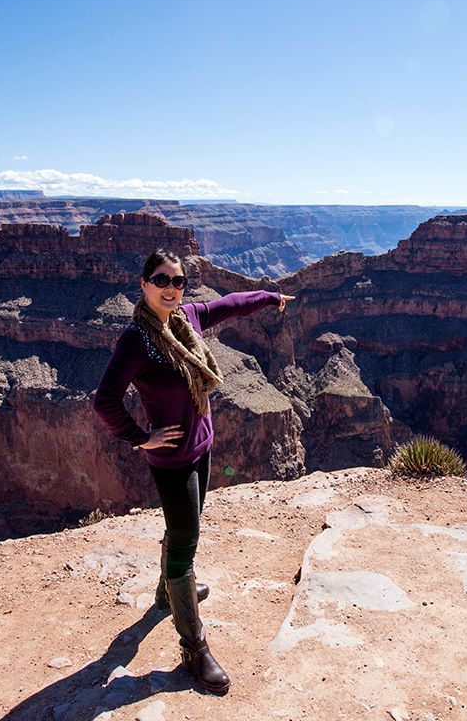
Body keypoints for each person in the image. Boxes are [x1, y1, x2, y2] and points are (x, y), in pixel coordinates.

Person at [93, 249, 295, 695]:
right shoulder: (136, 340)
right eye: (161, 279)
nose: (171, 288)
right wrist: (138, 436)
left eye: (178, 281)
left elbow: (232, 304)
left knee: (185, 525)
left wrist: (270, 297)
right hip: (171, 460)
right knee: (185, 542)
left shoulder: (189, 319)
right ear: (144, 284)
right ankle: (194, 648)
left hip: (202, 448)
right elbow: (103, 400)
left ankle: (168, 595)